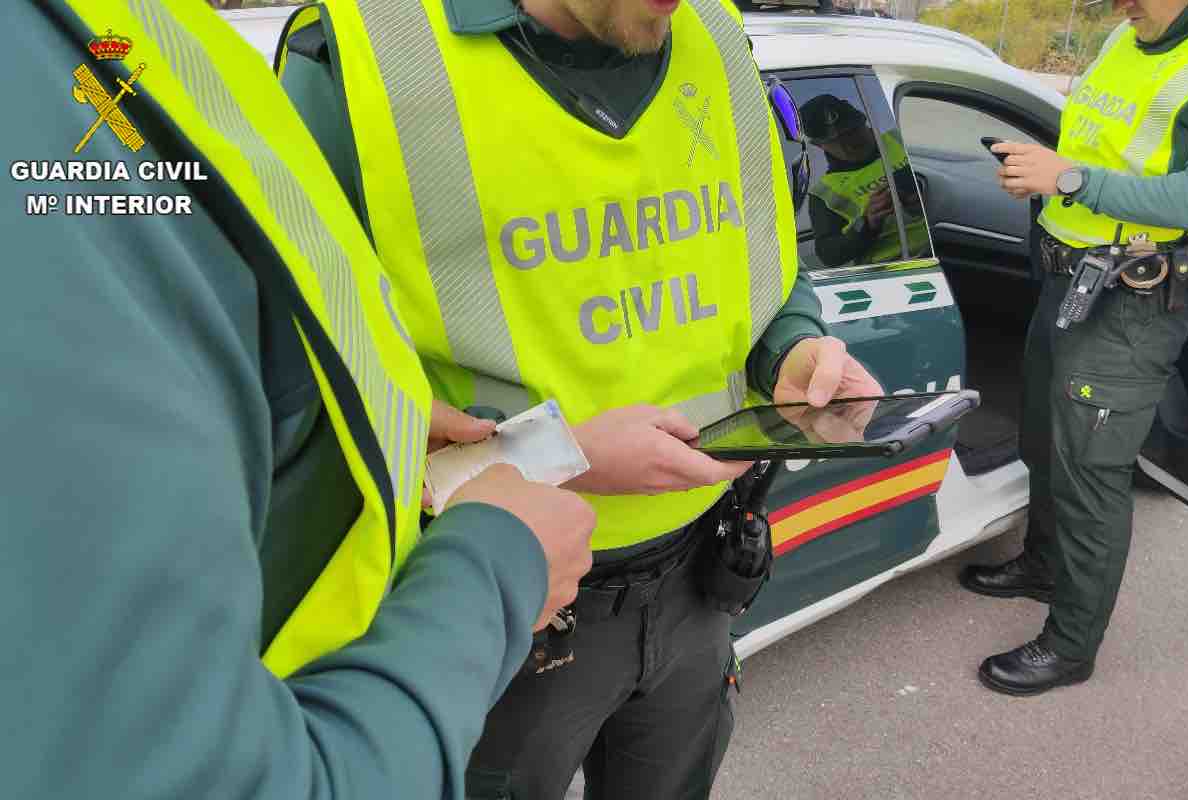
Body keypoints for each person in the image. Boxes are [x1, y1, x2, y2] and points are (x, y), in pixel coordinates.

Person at [277, 0, 881, 797]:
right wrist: (562, 457)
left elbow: (759, 262)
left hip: (701, 580)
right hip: (500, 604)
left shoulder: (716, 35)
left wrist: (793, 348)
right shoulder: (358, 56)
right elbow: (303, 395)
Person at [3, 2, 596, 799]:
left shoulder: (131, 30)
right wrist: (495, 568)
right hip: (373, 688)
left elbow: (227, 315)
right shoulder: (40, 76)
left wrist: (358, 419)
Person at [962, 0, 1188, 696]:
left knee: (1092, 477)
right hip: (1070, 280)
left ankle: (1071, 646)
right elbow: (1096, 142)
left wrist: (1069, 179)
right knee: (1044, 440)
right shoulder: (1124, 40)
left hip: (1133, 303)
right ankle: (1042, 565)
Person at [800, 93, 929, 268]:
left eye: (853, 130)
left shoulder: (901, 139)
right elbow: (828, 255)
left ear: (864, 122)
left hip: (949, 241)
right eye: (838, 140)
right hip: (893, 270)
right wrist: (867, 223)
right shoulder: (824, 193)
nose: (851, 141)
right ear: (819, 145)